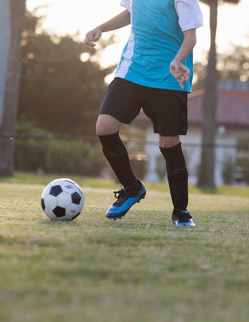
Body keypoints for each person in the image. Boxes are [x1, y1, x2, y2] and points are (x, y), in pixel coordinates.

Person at [84, 0, 203, 227]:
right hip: (133, 69)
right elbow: (130, 13)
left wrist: (177, 61)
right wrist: (101, 27)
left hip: (169, 76)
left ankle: (181, 211)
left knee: (169, 143)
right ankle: (132, 188)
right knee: (104, 127)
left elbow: (191, 37)